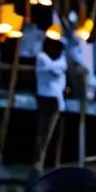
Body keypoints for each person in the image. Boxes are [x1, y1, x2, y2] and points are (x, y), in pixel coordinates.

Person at [35, 36, 68, 164]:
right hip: (45, 97)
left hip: (58, 100)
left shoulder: (62, 60)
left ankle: (55, 162)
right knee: (43, 130)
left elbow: (62, 67)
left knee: (57, 133)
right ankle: (39, 161)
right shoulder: (41, 57)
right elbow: (53, 68)